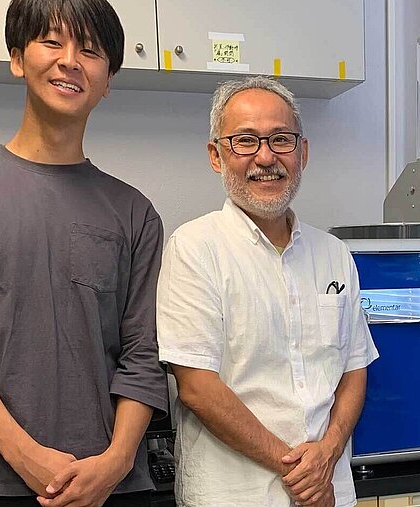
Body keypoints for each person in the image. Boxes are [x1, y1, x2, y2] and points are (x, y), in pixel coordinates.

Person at [0, 1, 168, 505]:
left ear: (108, 78)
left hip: (113, 485)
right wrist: (25, 454)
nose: (70, 60)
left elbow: (145, 352)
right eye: (52, 42)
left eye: (90, 50)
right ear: (17, 57)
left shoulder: (134, 212)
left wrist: (115, 463)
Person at [157, 75, 379, 507]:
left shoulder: (334, 253)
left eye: (281, 140)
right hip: (234, 495)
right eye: (245, 141)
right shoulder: (194, 248)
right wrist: (301, 470)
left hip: (328, 491)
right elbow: (197, 387)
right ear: (216, 156)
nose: (265, 157)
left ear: (303, 152)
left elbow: (354, 369)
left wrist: (329, 452)